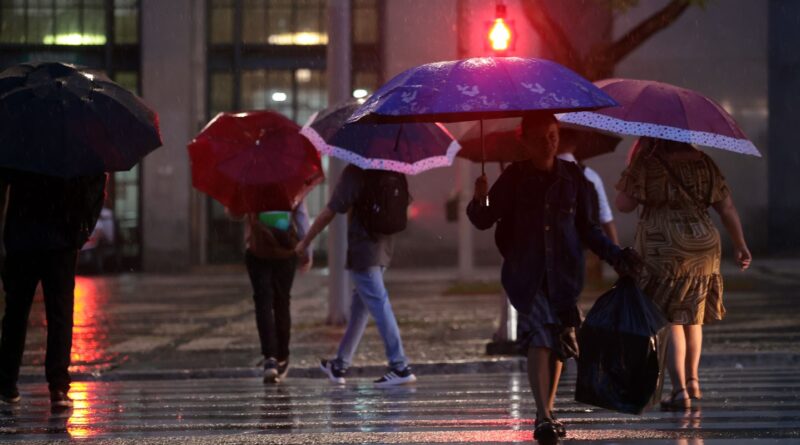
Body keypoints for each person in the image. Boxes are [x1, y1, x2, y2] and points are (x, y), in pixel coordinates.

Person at [467, 113, 641, 442]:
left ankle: (544, 412)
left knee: (559, 343)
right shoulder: (514, 178)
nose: (548, 142)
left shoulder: (575, 178)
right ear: (525, 141)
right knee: (541, 336)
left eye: (553, 135)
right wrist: (480, 197)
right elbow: (484, 219)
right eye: (540, 137)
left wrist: (616, 256)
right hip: (526, 274)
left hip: (564, 275)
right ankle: (544, 415)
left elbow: (588, 229)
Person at [615, 137, 752, 411]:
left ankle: (679, 391)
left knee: (670, 317)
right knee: (693, 315)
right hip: (703, 245)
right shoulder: (705, 162)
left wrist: (632, 174)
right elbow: (726, 208)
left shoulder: (646, 162)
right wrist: (740, 245)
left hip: (664, 247)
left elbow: (623, 204)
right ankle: (692, 381)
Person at [294, 165, 416, 387]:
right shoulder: (393, 168)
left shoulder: (355, 171)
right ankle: (339, 364)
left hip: (364, 249)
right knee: (360, 308)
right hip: (385, 247)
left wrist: (305, 241)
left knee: (379, 305)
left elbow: (331, 210)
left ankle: (399, 366)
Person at [0, 170, 106, 408]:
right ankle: (58, 387)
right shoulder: (74, 142)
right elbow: (95, 181)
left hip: (22, 238)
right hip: (60, 239)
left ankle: (7, 384)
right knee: (59, 315)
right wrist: (82, 228)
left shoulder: (18, 142)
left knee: (16, 314)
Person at [229, 201, 312, 384]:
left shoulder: (251, 183)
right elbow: (302, 218)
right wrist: (307, 250)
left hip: (258, 249)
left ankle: (270, 359)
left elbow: (235, 213)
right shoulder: (291, 184)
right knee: (282, 302)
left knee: (263, 303)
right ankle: (282, 356)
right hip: (286, 249)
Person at [557, 129, 619, 244]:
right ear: (575, 144)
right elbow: (605, 216)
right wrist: (617, 251)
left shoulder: (539, 177)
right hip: (588, 247)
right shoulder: (590, 175)